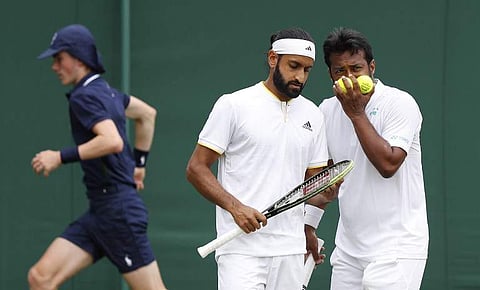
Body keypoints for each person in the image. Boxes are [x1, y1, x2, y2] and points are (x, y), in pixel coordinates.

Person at [186, 27, 340, 290]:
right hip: (241, 251)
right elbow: (196, 168)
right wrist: (236, 208)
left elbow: (311, 186)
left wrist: (326, 195)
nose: (300, 77)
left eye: (307, 69)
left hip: (291, 250)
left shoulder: (313, 115)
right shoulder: (234, 105)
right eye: (293, 66)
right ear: (272, 58)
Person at [28, 24, 168, 290]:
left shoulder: (84, 96)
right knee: (41, 278)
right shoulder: (108, 92)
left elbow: (112, 141)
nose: (54, 66)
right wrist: (139, 165)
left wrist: (59, 156)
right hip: (100, 212)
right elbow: (147, 115)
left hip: (118, 213)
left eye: (59, 59)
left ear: (78, 58)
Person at [319, 27, 429, 290]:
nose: (349, 78)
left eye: (356, 69)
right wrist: (309, 227)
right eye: (339, 71)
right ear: (330, 75)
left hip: (397, 249)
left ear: (372, 67)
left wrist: (356, 114)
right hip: (349, 251)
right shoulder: (326, 110)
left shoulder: (400, 104)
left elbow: (388, 165)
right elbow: (325, 180)